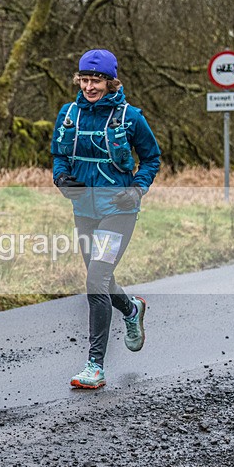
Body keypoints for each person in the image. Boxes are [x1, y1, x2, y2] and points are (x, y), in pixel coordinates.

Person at [51, 49, 161, 389]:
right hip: (84, 211)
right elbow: (58, 156)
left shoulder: (131, 117)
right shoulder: (68, 114)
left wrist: (138, 189)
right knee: (100, 277)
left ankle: (94, 366)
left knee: (96, 279)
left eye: (95, 80)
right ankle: (130, 309)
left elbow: (152, 158)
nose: (89, 86)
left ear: (110, 82)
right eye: (84, 80)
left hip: (119, 210)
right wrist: (61, 179)